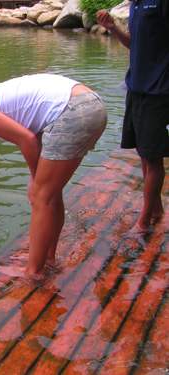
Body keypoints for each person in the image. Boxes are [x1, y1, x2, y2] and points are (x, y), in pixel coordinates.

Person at [0, 71, 107, 278]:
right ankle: (47, 258)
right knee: (50, 195)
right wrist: (38, 180)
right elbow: (36, 133)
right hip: (92, 105)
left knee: (41, 196)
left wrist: (35, 178)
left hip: (74, 111)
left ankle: (33, 272)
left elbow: (27, 140)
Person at [97, 1, 169, 232]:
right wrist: (114, 29)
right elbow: (136, 46)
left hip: (158, 92)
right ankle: (155, 209)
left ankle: (144, 222)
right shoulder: (136, 4)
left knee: (153, 156)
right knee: (143, 151)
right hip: (136, 88)